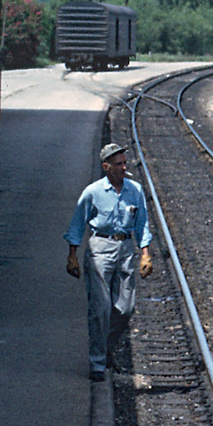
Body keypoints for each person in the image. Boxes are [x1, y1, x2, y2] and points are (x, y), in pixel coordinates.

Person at [65, 142, 155, 381]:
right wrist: (72, 255)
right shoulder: (92, 192)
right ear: (107, 167)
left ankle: (105, 346)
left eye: (125, 163)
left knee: (125, 308)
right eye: (119, 164)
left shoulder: (134, 190)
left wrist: (145, 252)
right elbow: (77, 224)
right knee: (100, 308)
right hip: (100, 249)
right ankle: (97, 363)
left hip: (125, 248)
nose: (124, 167)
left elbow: (142, 223)